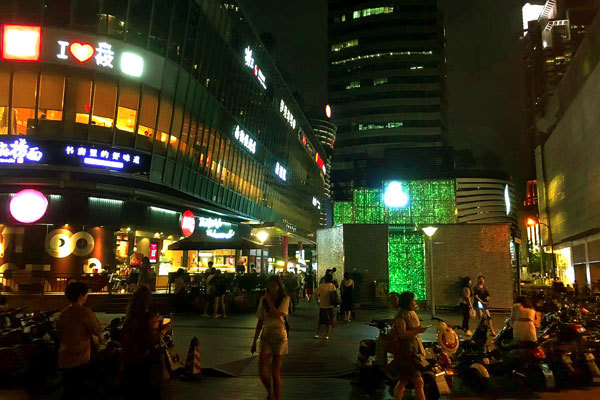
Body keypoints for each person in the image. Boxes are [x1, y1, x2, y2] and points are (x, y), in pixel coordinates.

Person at [121, 286, 171, 400]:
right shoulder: (150, 317)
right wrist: (164, 330)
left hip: (131, 360)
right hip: (146, 360)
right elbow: (153, 339)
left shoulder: (129, 318)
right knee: (149, 390)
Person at [57, 282, 103, 400]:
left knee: (68, 390)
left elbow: (60, 333)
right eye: (86, 293)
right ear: (82, 295)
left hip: (64, 358)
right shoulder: (85, 312)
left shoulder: (63, 313)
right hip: (80, 358)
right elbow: (98, 330)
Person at [251, 276, 290, 400]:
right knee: (262, 372)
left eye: (274, 286)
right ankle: (270, 392)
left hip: (280, 335)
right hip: (266, 335)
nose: (272, 288)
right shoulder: (263, 300)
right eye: (270, 286)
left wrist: (269, 300)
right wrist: (254, 341)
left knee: (275, 372)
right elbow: (260, 321)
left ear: (279, 287)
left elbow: (277, 314)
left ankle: (276, 397)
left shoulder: (285, 299)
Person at [387, 291, 427, 400]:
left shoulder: (409, 313)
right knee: (418, 382)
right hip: (406, 353)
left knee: (403, 381)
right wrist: (417, 330)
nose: (415, 302)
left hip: (411, 350)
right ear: (408, 302)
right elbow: (402, 334)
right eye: (413, 300)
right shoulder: (401, 316)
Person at [314, 274, 336, 340]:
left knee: (320, 321)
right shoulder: (332, 286)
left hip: (322, 305)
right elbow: (334, 295)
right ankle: (327, 335)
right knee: (329, 322)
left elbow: (316, 294)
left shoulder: (320, 286)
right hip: (330, 305)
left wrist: (318, 302)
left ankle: (317, 334)